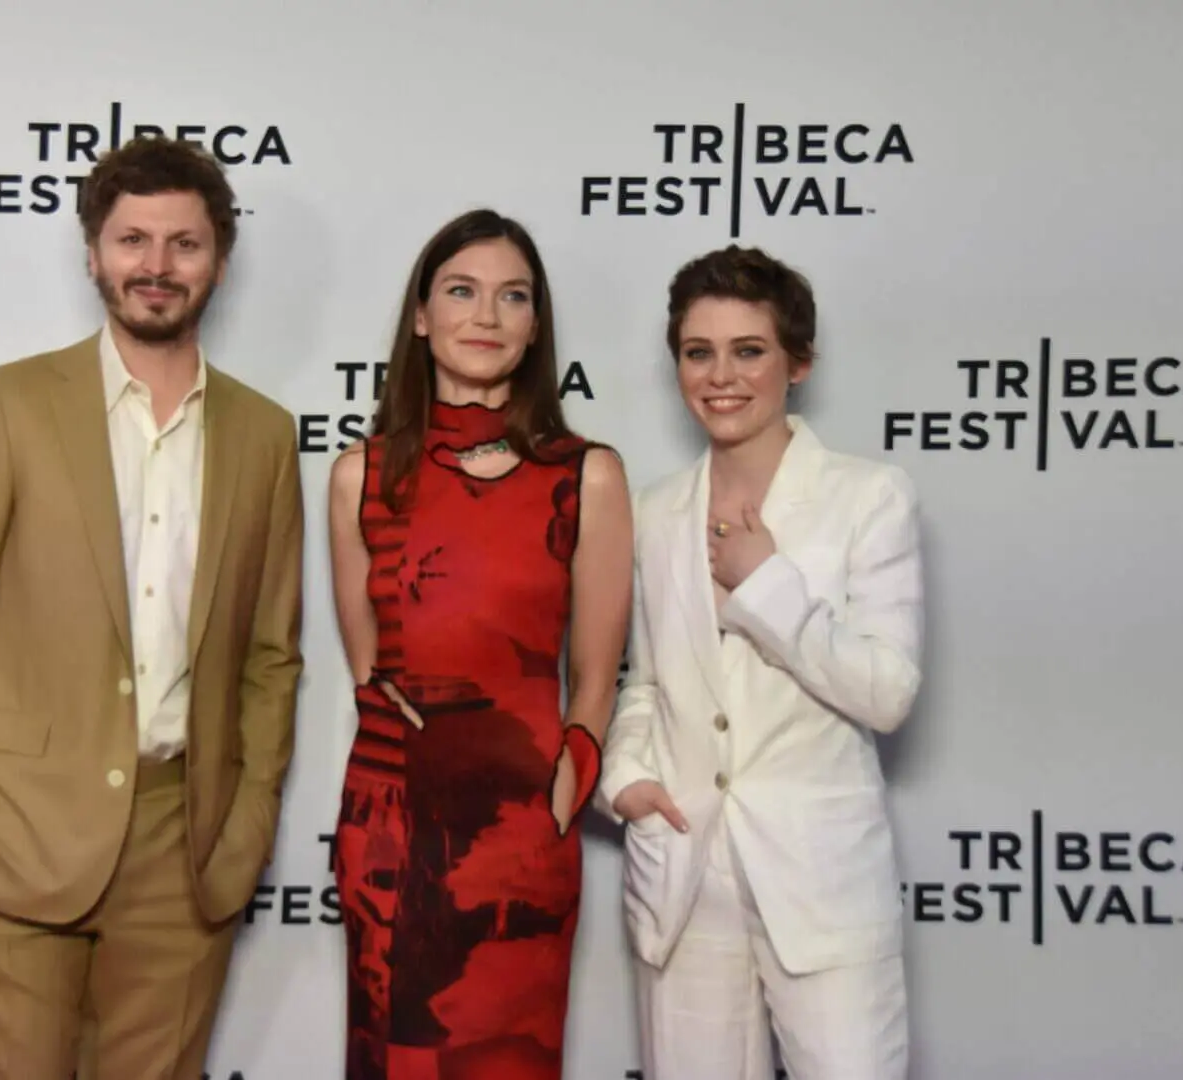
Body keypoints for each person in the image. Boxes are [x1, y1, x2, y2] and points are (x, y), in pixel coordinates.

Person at [0, 136, 304, 1080]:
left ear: (220, 262)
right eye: (133, 240)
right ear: (93, 255)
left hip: (183, 852)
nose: (156, 266)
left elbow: (270, 655)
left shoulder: (266, 434)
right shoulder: (9, 405)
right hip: (6, 838)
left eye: (184, 244)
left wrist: (244, 831)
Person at [597, 245, 923, 1079]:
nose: (721, 376)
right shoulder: (657, 509)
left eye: (750, 351)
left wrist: (767, 584)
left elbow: (887, 692)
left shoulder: (869, 496)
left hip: (820, 887)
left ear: (799, 363)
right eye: (698, 352)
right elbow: (651, 682)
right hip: (683, 876)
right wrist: (628, 776)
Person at [326, 208, 633, 1078]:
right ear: (421, 315)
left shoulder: (587, 475)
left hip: (521, 843)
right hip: (391, 837)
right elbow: (367, 672)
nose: (486, 317)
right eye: (461, 291)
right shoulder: (361, 473)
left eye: (513, 297)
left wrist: (568, 783)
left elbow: (596, 675)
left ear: (536, 327)